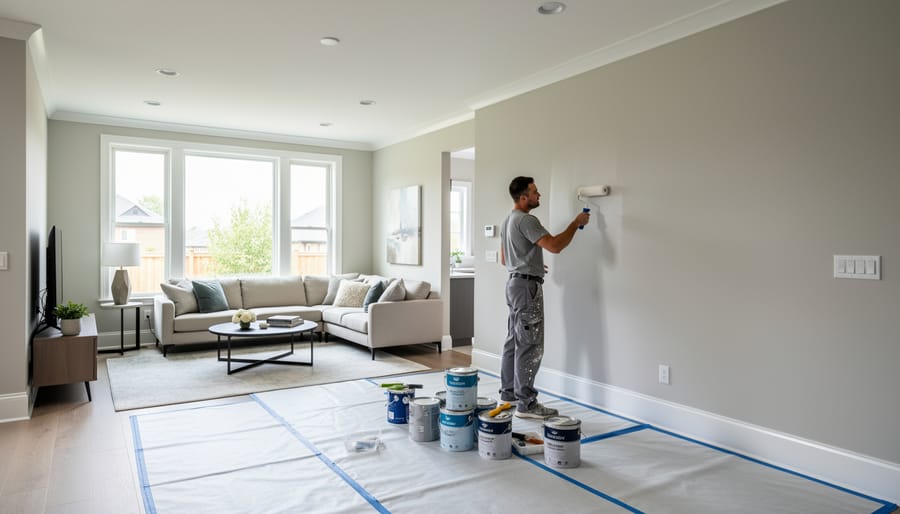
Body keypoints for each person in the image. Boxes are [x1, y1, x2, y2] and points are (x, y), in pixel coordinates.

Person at [499, 176, 591, 419]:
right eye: (534, 192)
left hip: (514, 284)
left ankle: (508, 395)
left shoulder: (508, 220)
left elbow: (504, 259)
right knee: (529, 344)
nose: (539, 195)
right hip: (526, 289)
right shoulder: (526, 220)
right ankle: (527, 404)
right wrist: (575, 224)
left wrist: (533, 266)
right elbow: (555, 246)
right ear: (523, 198)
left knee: (514, 340)